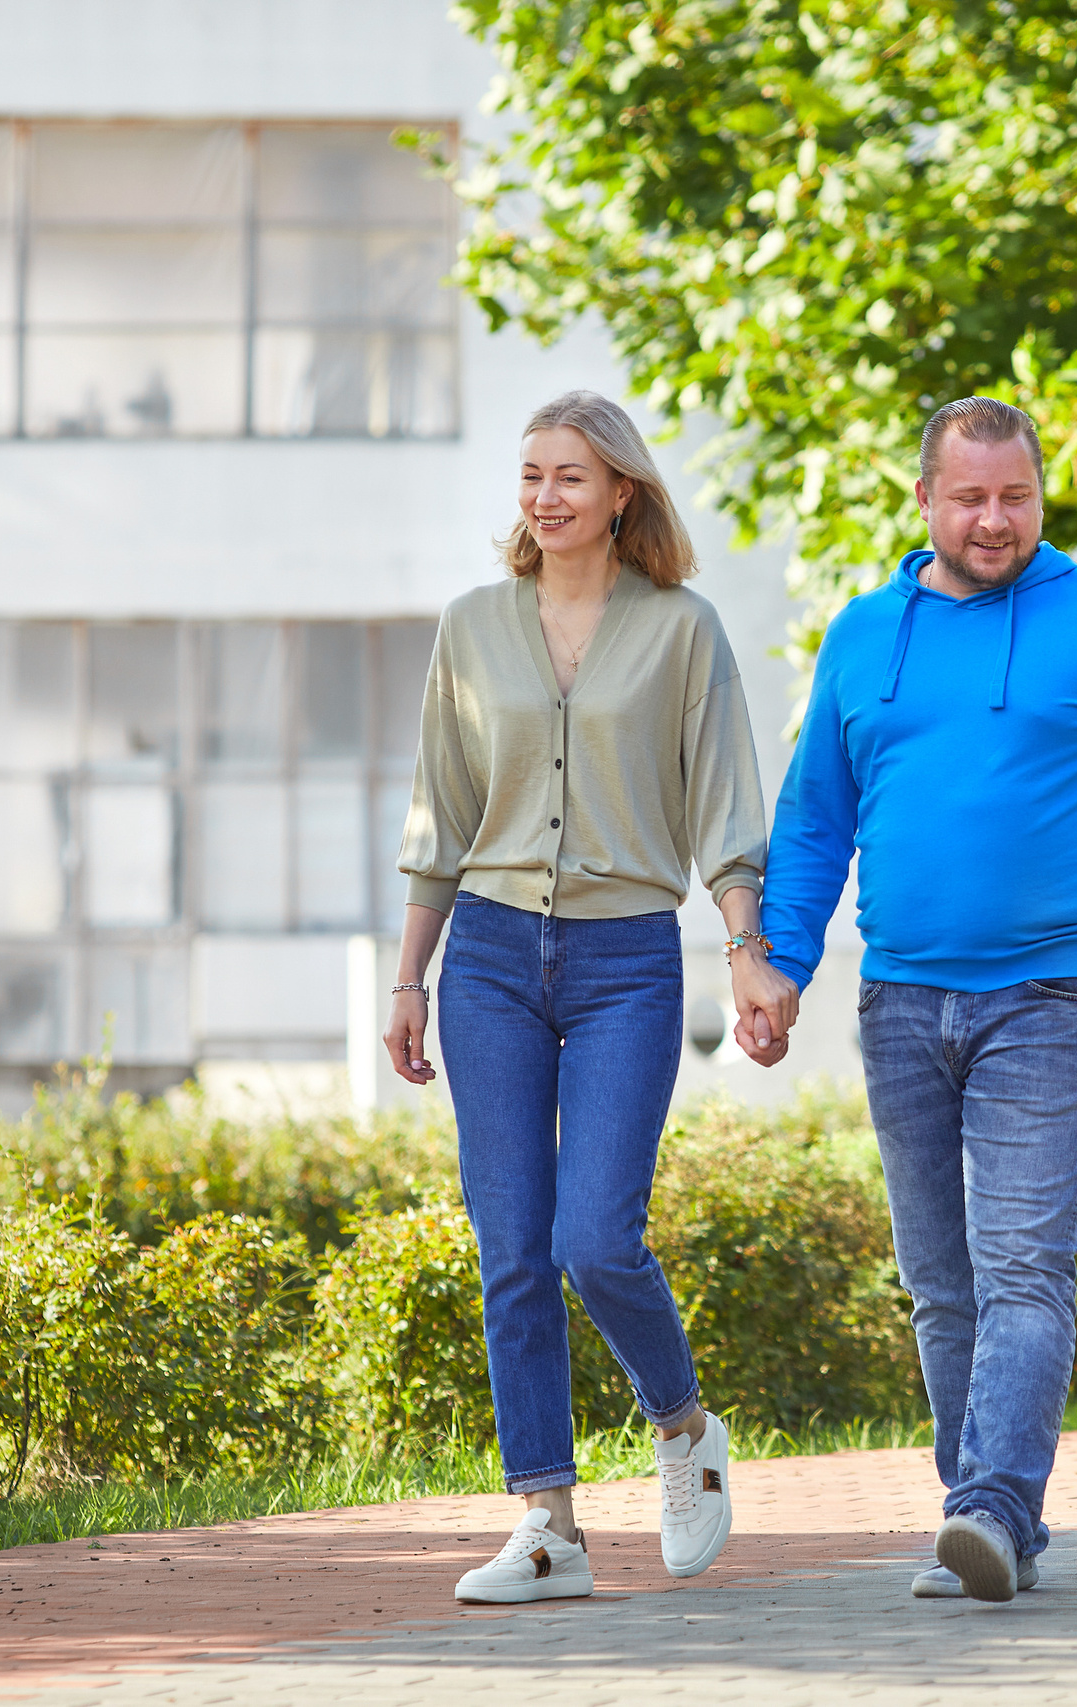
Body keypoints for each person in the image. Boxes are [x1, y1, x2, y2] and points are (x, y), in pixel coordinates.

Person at [747, 397, 1077, 1602]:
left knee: (1024, 1266)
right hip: (902, 999)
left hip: (1056, 996)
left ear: (1040, 496)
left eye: (1014, 497)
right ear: (923, 499)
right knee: (938, 1281)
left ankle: (986, 1507)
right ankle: (989, 1514)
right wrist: (779, 962)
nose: (993, 520)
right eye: (969, 498)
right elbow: (816, 818)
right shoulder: (865, 638)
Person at [387, 389, 793, 1604]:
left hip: (626, 960)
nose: (546, 497)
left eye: (571, 476)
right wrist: (409, 976)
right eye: (530, 477)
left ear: (623, 492)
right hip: (494, 960)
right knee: (511, 1246)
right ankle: (548, 1526)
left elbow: (725, 810)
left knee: (595, 1239)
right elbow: (438, 818)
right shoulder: (471, 628)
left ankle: (681, 1429)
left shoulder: (681, 631)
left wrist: (747, 952)